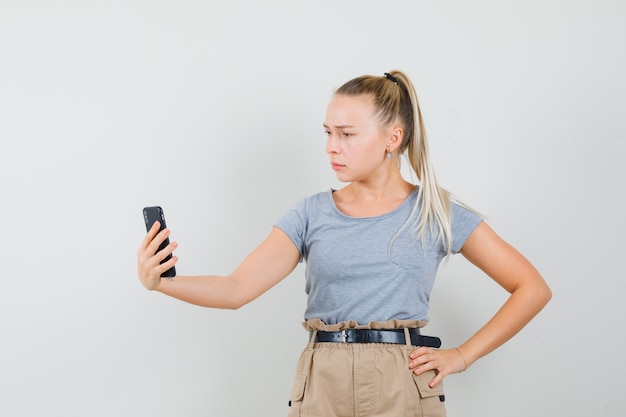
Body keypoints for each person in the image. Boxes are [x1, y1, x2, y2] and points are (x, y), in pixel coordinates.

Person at [137, 70, 552, 417]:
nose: (331, 147)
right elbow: (236, 289)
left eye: (347, 134)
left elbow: (531, 288)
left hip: (402, 382)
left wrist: (462, 356)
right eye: (328, 133)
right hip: (323, 381)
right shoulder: (310, 214)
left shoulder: (436, 212)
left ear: (393, 138)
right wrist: (163, 283)